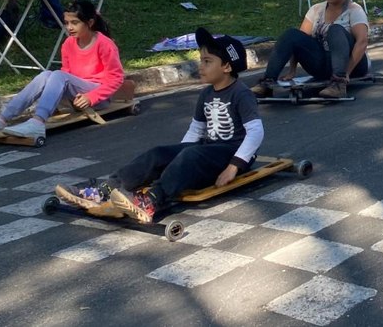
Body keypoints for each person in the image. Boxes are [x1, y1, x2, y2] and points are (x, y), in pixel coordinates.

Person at [99, 29, 263, 223]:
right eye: (201, 60)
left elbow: (256, 132)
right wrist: (176, 157)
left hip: (231, 154)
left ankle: (152, 200)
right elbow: (196, 129)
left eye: (207, 61)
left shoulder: (241, 94)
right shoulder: (206, 94)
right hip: (208, 152)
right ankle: (113, 185)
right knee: (159, 153)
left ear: (227, 66)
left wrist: (233, 167)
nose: (200, 66)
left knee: (190, 155)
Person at [0, 0, 124, 141]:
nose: (69, 27)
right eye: (66, 22)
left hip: (97, 97)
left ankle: (38, 122)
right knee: (47, 74)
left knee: (58, 75)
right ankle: (2, 119)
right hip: (76, 95)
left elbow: (116, 78)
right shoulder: (68, 43)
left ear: (90, 22)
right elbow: (65, 74)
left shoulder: (105, 44)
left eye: (74, 23)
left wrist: (92, 97)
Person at [255, 0, 370, 99]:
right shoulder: (316, 9)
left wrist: (347, 73)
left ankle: (339, 84)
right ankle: (267, 82)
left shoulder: (354, 10)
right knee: (292, 34)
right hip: (323, 64)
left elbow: (362, 42)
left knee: (335, 29)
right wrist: (292, 70)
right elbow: (299, 42)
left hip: (353, 65)